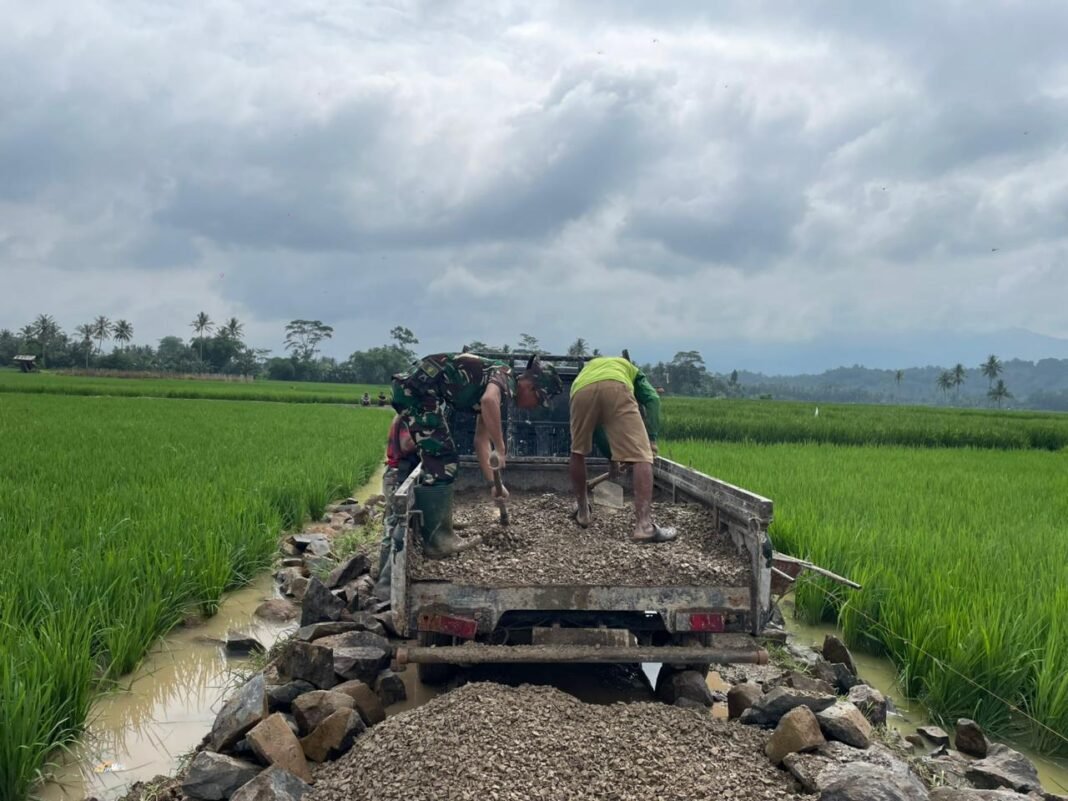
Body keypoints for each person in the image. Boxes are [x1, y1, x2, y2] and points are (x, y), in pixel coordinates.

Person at [391, 352, 562, 556]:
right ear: (531, 387)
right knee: (443, 460)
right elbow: (488, 401)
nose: (534, 407)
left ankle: (440, 524)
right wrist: (501, 447)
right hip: (416, 391)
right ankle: (438, 541)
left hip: (422, 392)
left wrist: (494, 485)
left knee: (443, 457)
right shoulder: (503, 376)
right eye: (538, 400)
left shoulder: (498, 388)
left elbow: (481, 441)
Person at [569, 356, 676, 543]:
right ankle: (644, 526)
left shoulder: (588, 372)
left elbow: (599, 428)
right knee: (642, 455)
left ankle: (583, 513)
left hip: (580, 391)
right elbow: (653, 400)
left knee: (578, 452)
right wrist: (651, 440)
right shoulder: (633, 371)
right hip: (616, 387)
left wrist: (612, 460)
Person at [373, 415, 420, 600]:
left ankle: (382, 579)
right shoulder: (408, 417)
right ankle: (386, 585)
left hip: (395, 474)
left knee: (390, 525)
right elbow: (407, 444)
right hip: (398, 477)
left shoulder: (399, 416)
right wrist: (429, 438)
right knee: (397, 527)